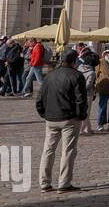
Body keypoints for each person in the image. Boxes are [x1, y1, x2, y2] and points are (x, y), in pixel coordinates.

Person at [37, 49, 88, 193]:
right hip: (69, 118)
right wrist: (81, 116)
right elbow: (81, 100)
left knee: (48, 150)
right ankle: (64, 183)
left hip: (51, 118)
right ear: (74, 61)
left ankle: (44, 182)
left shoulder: (50, 75)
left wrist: (44, 114)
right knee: (68, 151)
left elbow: (40, 98)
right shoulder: (77, 76)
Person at [76, 45, 100, 135]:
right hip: (87, 94)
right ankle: (84, 129)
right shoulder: (91, 72)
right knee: (86, 112)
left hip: (78, 93)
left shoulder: (79, 68)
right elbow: (88, 85)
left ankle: (87, 128)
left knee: (81, 111)